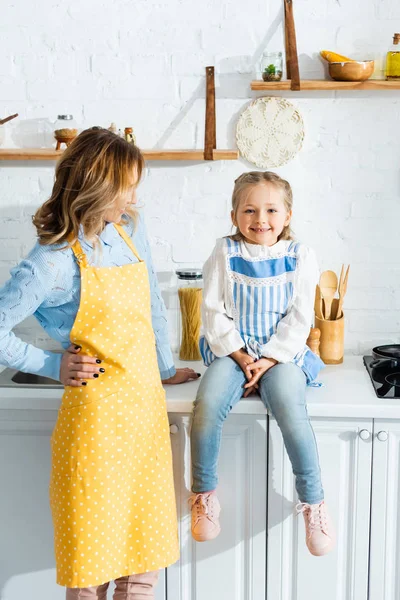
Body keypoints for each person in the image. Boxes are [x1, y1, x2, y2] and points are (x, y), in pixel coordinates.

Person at [0, 128, 199, 599]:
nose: (134, 196)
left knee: (143, 567)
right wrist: (51, 366)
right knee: (91, 568)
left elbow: (150, 298)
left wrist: (164, 366)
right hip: (95, 427)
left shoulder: (128, 229)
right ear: (99, 187)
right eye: (127, 185)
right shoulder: (50, 262)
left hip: (145, 419)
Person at [189, 171, 335, 557]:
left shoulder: (300, 255)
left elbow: (301, 317)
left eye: (271, 209)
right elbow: (212, 311)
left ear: (287, 215)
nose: (260, 219)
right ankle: (203, 495)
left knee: (289, 406)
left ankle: (314, 502)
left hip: (281, 355)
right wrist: (239, 355)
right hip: (233, 351)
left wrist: (269, 359)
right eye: (249, 210)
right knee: (205, 406)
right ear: (234, 214)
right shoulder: (224, 251)